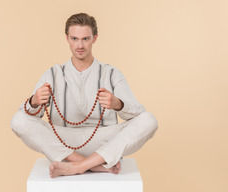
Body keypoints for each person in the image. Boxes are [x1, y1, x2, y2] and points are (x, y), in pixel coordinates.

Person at [11, 13, 158, 178]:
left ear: (95, 38)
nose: (80, 45)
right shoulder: (52, 73)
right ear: (67, 38)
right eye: (74, 39)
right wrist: (34, 101)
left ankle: (77, 167)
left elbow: (137, 112)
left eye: (85, 39)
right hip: (62, 140)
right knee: (18, 119)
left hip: (103, 141)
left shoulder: (111, 73)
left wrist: (118, 104)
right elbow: (30, 116)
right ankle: (93, 166)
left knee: (149, 119)